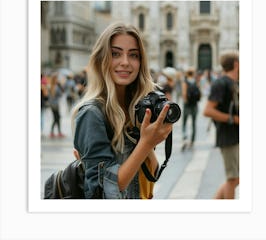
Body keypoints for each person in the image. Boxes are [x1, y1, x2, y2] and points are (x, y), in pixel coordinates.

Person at [71, 22, 173, 199]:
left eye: (133, 55)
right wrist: (146, 143)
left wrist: (147, 135)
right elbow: (102, 192)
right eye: (115, 54)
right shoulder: (92, 114)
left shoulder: (135, 108)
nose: (125, 62)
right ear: (101, 58)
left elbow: (152, 174)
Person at [203, 52, 239, 199]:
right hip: (228, 136)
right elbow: (207, 110)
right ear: (236, 64)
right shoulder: (220, 83)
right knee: (233, 179)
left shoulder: (235, 83)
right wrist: (233, 119)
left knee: (236, 178)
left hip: (236, 135)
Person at [181, 68, 201, 150]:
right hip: (194, 105)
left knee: (184, 122)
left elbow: (184, 93)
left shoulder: (185, 82)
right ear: (193, 74)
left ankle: (185, 138)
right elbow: (200, 93)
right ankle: (192, 141)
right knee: (193, 123)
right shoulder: (196, 82)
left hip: (187, 105)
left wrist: (185, 101)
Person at [49, 72, 65, 138]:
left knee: (56, 118)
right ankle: (56, 132)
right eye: (56, 79)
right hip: (56, 105)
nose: (57, 80)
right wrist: (60, 85)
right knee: (57, 119)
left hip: (52, 105)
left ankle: (54, 132)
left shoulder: (50, 86)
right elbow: (61, 94)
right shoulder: (57, 87)